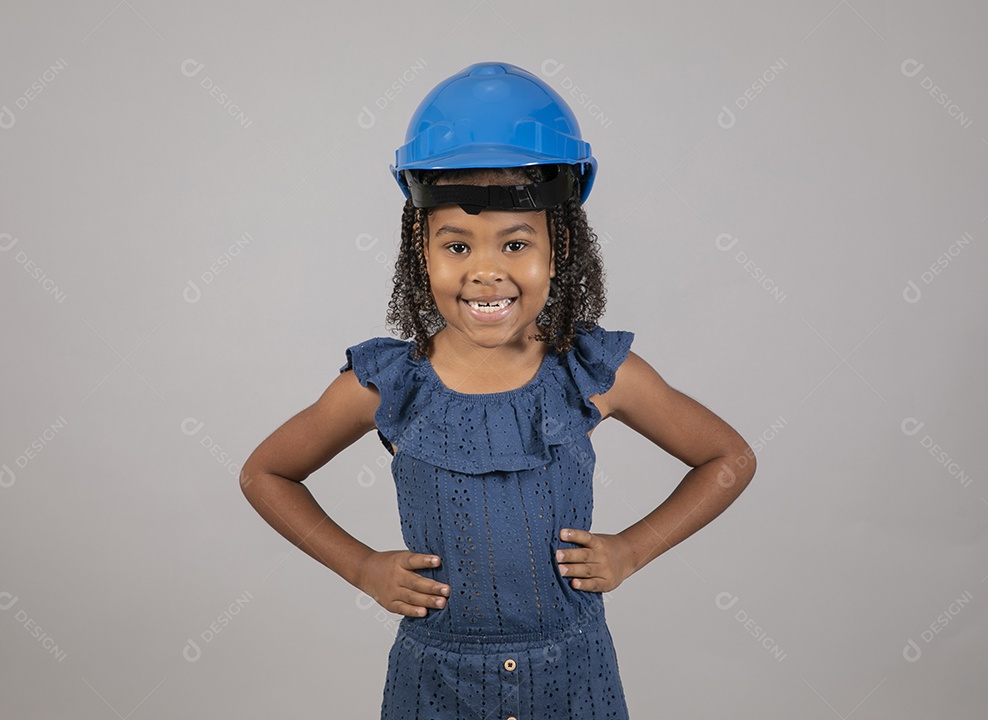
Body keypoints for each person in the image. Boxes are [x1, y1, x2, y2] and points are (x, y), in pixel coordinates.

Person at [240, 61, 756, 719]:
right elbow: (266, 473)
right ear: (419, 247)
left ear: (560, 242)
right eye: (458, 247)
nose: (486, 271)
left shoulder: (590, 371)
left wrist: (631, 549)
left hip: (573, 680)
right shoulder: (388, 384)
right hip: (436, 684)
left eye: (515, 244)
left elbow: (728, 458)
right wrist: (363, 567)